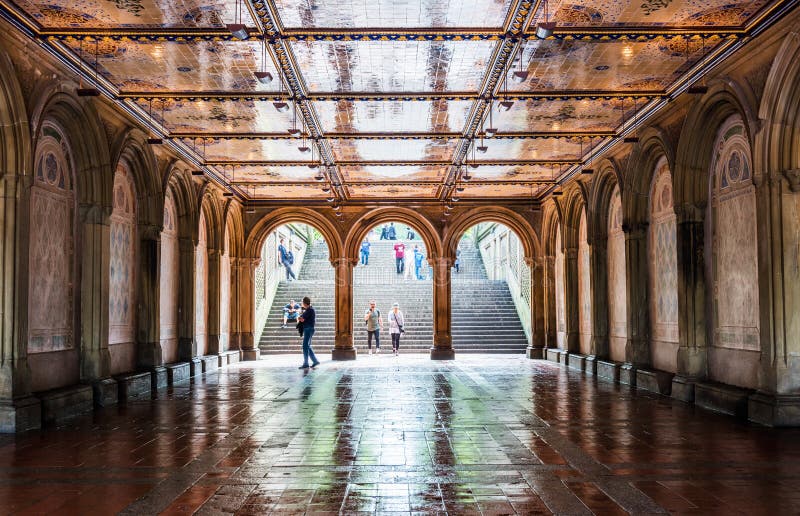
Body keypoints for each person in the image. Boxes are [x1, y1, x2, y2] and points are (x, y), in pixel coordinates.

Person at [297, 296, 320, 369]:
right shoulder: (309, 310)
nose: (301, 303)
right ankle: (315, 361)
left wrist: (299, 318)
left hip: (308, 329)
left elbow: (302, 319)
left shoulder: (309, 310)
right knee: (307, 346)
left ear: (304, 303)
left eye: (302, 302)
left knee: (305, 346)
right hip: (309, 329)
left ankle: (306, 363)